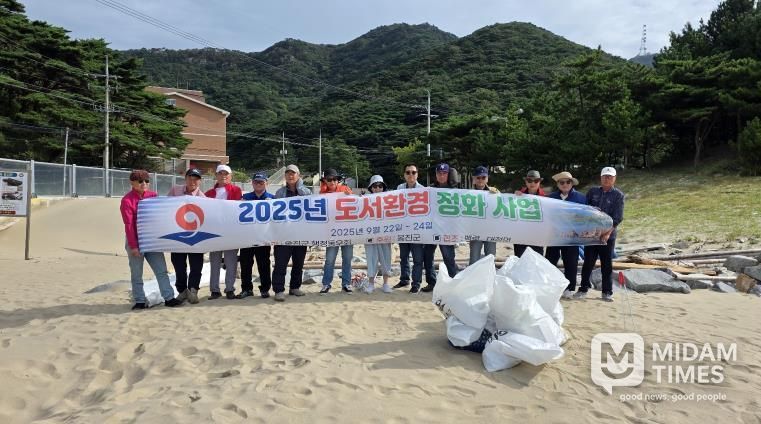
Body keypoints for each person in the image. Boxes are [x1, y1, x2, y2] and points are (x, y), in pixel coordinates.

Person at [120, 169, 180, 310]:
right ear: (132, 183)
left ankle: (169, 298)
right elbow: (129, 225)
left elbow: (160, 218)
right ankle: (140, 301)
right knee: (137, 274)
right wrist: (134, 246)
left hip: (152, 241)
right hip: (135, 241)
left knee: (161, 270)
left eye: (147, 181)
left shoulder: (153, 196)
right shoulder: (127, 200)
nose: (144, 184)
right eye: (140, 181)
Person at [576, 166, 624, 302]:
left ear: (614, 178)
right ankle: (583, 289)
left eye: (610, 177)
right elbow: (585, 210)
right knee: (588, 263)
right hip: (592, 234)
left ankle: (607, 292)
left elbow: (618, 217)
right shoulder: (592, 192)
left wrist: (607, 233)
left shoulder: (618, 195)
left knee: (606, 264)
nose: (607, 179)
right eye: (604, 176)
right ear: (601, 178)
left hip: (608, 236)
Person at [272, 164, 312, 301]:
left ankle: (295, 287)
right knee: (280, 263)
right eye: (288, 173)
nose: (290, 175)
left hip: (301, 234)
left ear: (298, 175)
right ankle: (278, 290)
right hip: (283, 234)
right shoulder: (279, 193)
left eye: (293, 173)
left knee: (298, 263)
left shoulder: (307, 191)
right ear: (285, 176)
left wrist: (299, 188)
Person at [166, 168, 206, 304]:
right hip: (177, 235)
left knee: (196, 266)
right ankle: (182, 291)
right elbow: (165, 208)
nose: (192, 181)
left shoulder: (203, 198)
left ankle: (193, 290)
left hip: (196, 237)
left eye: (196, 179)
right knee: (179, 265)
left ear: (200, 181)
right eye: (190, 178)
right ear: (185, 178)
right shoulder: (175, 190)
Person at [544, 171, 587, 299]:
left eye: (568, 182)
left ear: (572, 183)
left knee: (571, 263)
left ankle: (569, 288)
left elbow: (586, 216)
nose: (565, 184)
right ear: (558, 184)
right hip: (554, 236)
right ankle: (549, 287)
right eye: (561, 182)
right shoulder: (550, 198)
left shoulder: (581, 198)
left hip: (572, 236)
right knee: (550, 261)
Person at [204, 164, 242, 300]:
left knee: (231, 261)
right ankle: (214, 290)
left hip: (230, 232)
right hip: (214, 232)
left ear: (230, 176)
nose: (223, 176)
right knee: (214, 262)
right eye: (220, 173)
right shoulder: (208, 193)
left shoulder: (236, 190)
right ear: (216, 175)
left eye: (226, 174)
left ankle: (230, 288)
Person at [237, 171, 275, 299]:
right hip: (247, 237)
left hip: (264, 237)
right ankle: (246, 289)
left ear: (266, 183)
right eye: (256, 182)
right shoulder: (245, 198)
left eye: (261, 182)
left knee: (264, 264)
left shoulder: (273, 198)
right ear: (252, 183)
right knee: (245, 264)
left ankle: (265, 289)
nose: (258, 184)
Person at [423, 163, 459, 292]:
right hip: (431, 229)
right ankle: (431, 282)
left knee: (448, 257)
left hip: (447, 230)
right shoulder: (430, 190)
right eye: (439, 173)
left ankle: (453, 283)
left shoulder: (456, 190)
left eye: (444, 173)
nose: (442, 175)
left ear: (448, 174)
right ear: (436, 175)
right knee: (427, 256)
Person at [319, 168, 355, 294]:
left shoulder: (345, 190)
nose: (332, 182)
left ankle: (346, 283)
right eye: (329, 179)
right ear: (325, 181)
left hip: (347, 230)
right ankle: (326, 284)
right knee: (329, 259)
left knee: (347, 258)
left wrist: (351, 196)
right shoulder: (322, 194)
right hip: (332, 232)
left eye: (335, 179)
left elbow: (356, 204)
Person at [394, 163, 428, 294]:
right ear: (404, 175)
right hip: (403, 228)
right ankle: (404, 279)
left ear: (417, 174)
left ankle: (416, 283)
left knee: (418, 258)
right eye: (408, 172)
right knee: (403, 257)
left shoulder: (423, 190)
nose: (411, 175)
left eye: (413, 172)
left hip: (417, 230)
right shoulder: (399, 188)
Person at [364, 175, 393, 293]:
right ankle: (371, 283)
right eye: (375, 186)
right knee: (371, 259)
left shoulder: (389, 200)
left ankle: (386, 284)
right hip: (370, 235)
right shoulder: (364, 200)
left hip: (385, 234)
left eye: (380, 186)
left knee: (386, 258)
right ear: (371, 188)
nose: (377, 188)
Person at [469, 165, 500, 264]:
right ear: (474, 179)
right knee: (474, 259)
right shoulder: (468, 193)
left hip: (491, 230)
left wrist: (498, 195)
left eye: (483, 177)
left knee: (490, 258)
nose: (481, 180)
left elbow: (501, 207)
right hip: (474, 231)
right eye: (478, 177)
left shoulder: (495, 192)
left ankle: (490, 274)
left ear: (487, 178)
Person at [513, 170, 546, 257]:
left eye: (536, 181)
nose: (532, 183)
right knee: (520, 260)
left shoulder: (545, 198)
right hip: (520, 236)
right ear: (526, 182)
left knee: (536, 260)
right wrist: (514, 197)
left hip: (537, 237)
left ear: (539, 182)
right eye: (529, 180)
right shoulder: (518, 195)